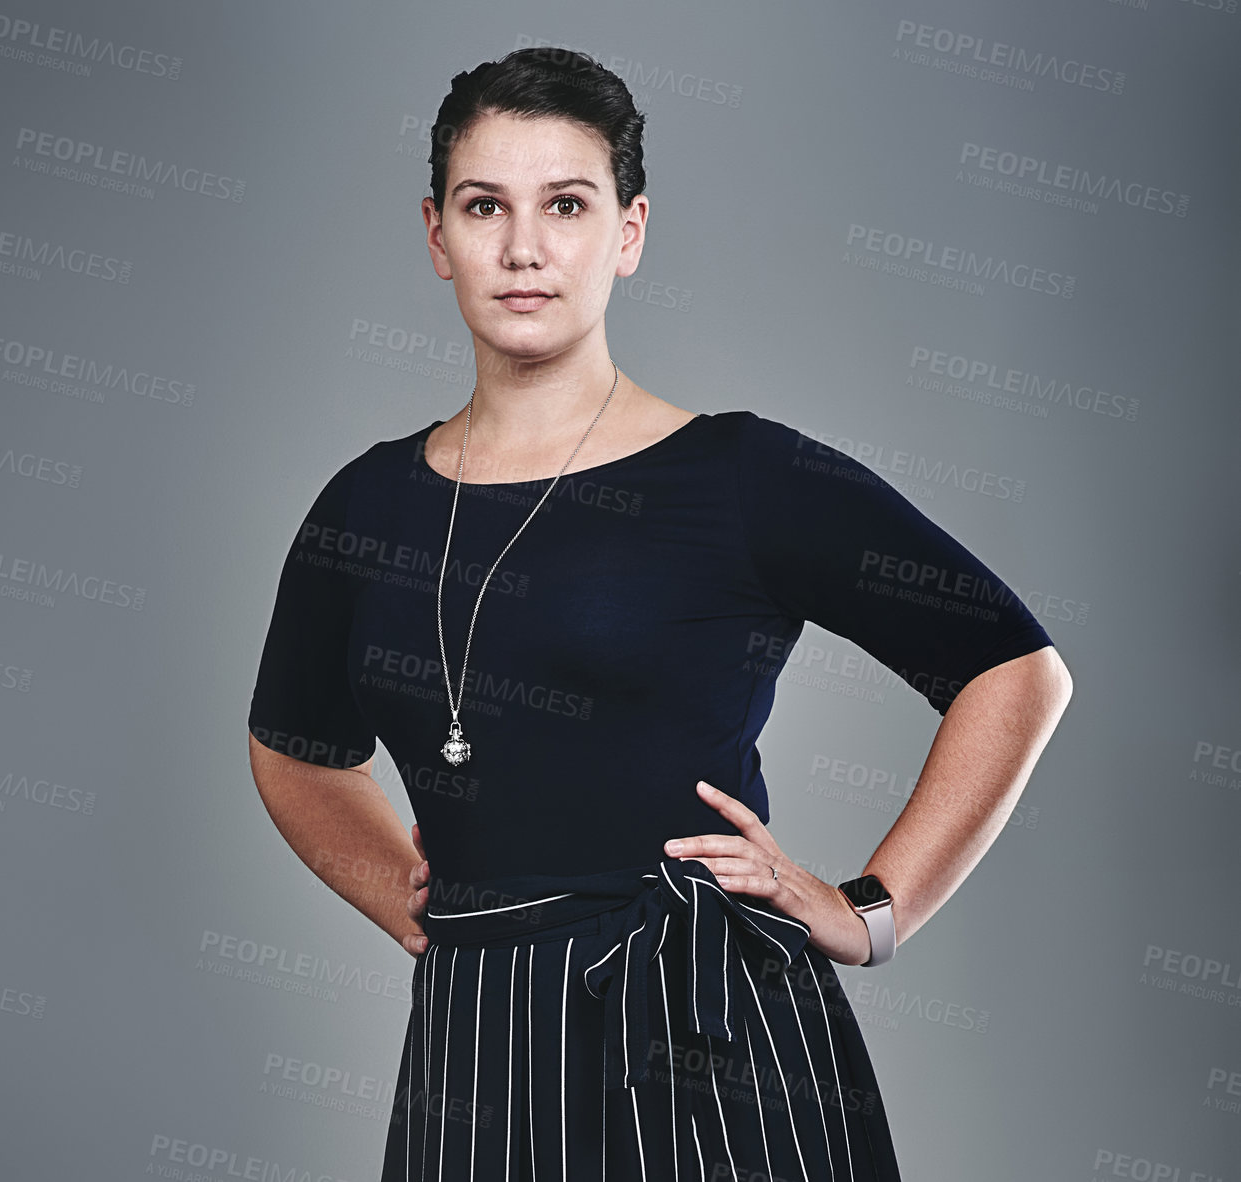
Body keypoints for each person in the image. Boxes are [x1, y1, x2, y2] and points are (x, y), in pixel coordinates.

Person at [246, 46, 1073, 1182]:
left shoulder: (742, 476)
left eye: (567, 205)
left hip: (711, 1024)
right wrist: (406, 896)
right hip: (475, 1036)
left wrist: (872, 909)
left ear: (628, 234)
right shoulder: (365, 504)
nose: (524, 248)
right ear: (436, 235)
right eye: (485, 205)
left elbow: (1014, 670)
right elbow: (293, 748)